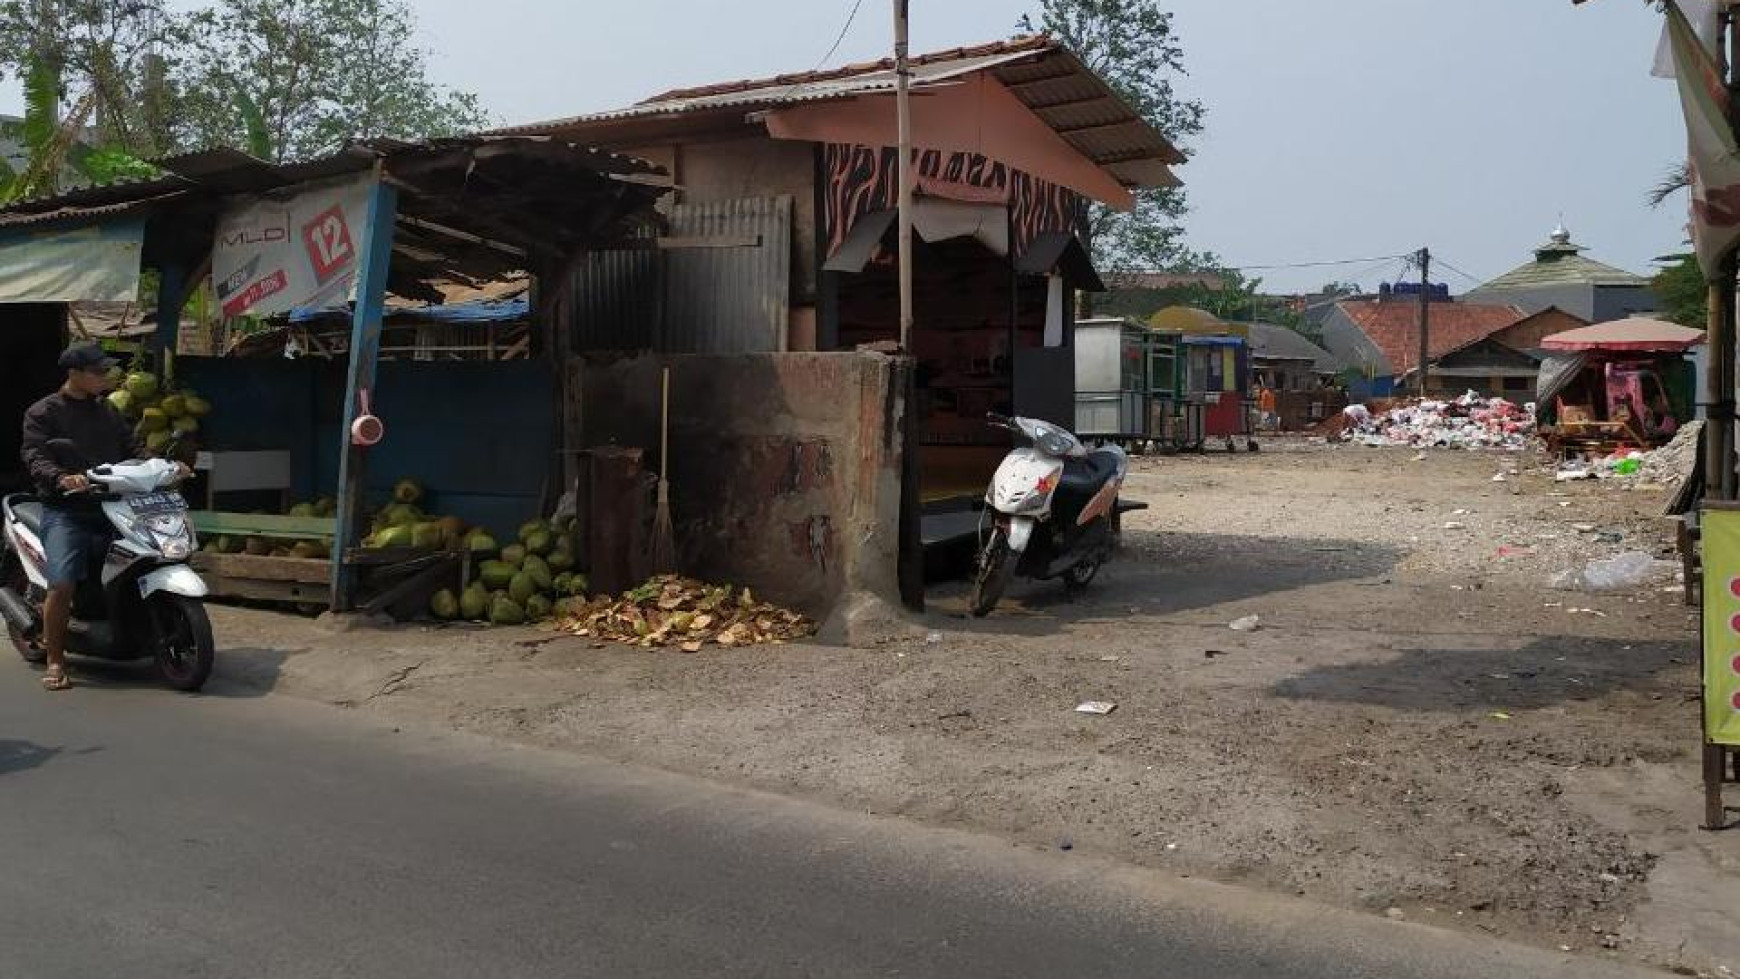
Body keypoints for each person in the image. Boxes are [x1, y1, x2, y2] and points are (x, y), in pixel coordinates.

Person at [19, 344, 151, 691]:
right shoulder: (43, 412)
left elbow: (133, 446)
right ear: (74, 374)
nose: (105, 378)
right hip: (66, 510)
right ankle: (56, 660)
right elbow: (35, 456)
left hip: (113, 507)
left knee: (146, 560)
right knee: (62, 583)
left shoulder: (107, 410)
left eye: (105, 371)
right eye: (98, 372)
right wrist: (61, 477)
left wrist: (161, 465)